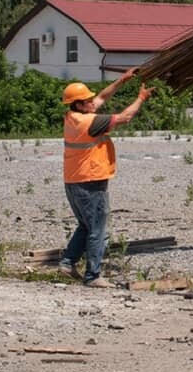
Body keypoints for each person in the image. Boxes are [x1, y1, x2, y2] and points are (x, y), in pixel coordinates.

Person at [58, 68, 154, 288]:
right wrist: (141, 98)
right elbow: (126, 117)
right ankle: (93, 276)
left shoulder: (72, 117)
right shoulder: (89, 123)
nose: (93, 101)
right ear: (80, 104)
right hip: (90, 182)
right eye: (88, 100)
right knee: (97, 229)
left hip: (73, 181)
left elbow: (102, 97)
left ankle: (67, 263)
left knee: (85, 225)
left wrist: (121, 80)